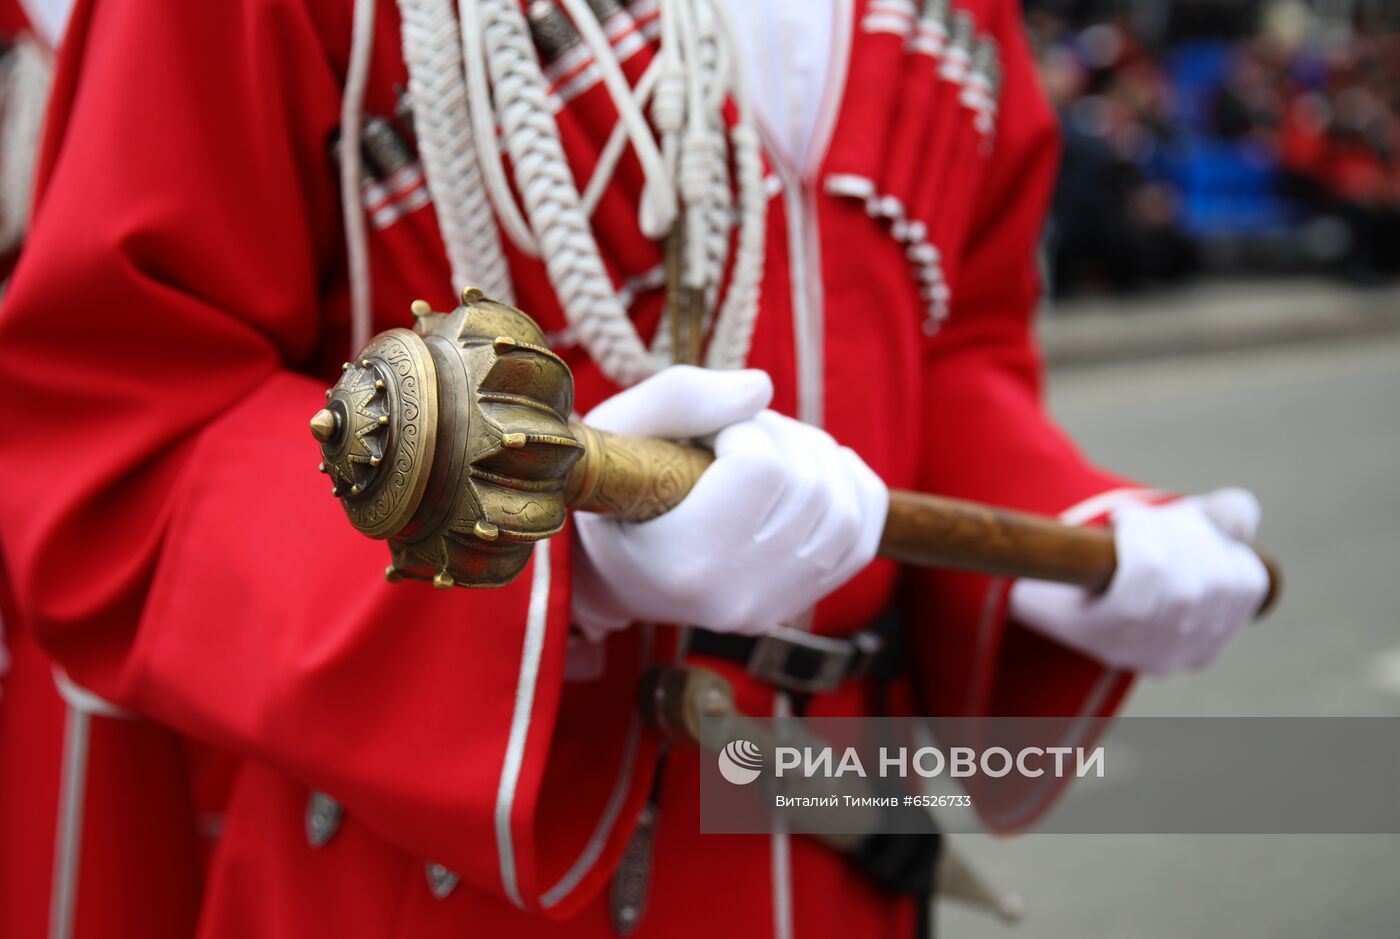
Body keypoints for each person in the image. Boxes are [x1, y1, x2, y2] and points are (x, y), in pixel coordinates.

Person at [0, 0, 1268, 937]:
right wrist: (560, 553)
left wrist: (1076, 522)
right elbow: (128, 427)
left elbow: (950, 345)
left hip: (838, 855)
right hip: (443, 878)